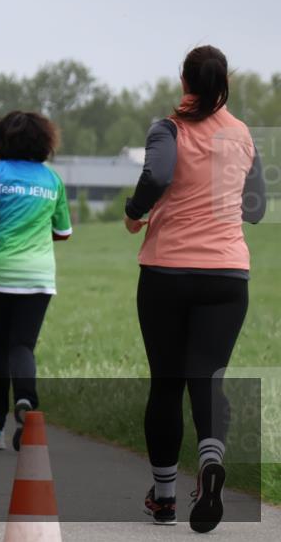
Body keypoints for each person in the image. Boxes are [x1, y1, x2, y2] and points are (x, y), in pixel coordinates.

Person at [124, 46, 265, 532]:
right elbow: (256, 208)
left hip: (167, 271)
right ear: (224, 81)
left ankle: (164, 497)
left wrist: (134, 210)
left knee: (166, 382)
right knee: (207, 376)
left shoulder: (168, 127)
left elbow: (158, 173)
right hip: (227, 276)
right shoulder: (243, 134)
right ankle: (209, 463)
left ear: (185, 80)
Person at [0, 111, 71, 452]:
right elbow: (63, 232)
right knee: (22, 345)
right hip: (38, 276)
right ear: (45, 142)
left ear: (0, 140)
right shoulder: (52, 179)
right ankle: (26, 400)